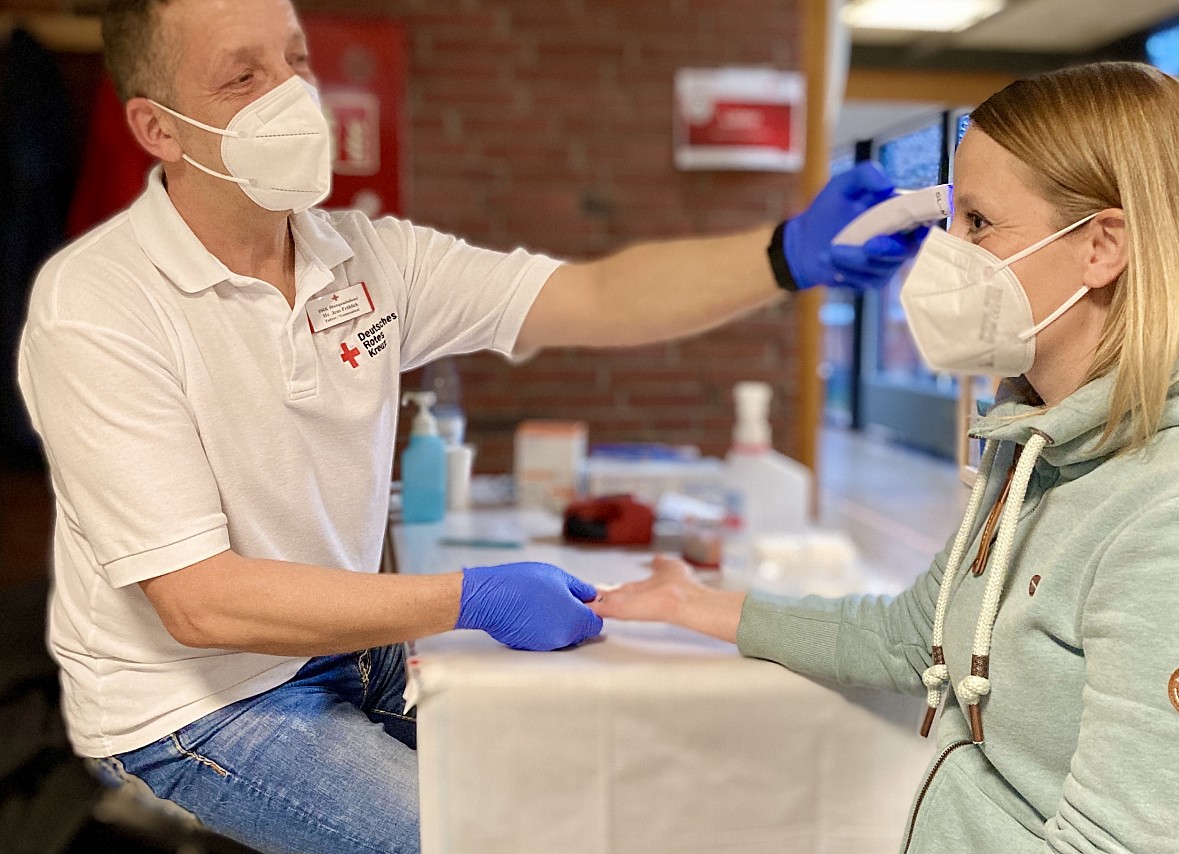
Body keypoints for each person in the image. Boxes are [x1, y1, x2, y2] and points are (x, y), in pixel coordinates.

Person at [15, 0, 922, 851]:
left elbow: (594, 296)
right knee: (484, 838)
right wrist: (470, 597)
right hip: (199, 703)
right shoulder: (100, 303)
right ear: (157, 128)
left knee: (584, 786)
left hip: (346, 650)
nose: (291, 95)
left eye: (295, 60)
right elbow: (202, 602)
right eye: (242, 79)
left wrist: (784, 254)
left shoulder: (367, 257)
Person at [593, 61, 1179, 853]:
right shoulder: (1052, 437)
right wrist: (692, 604)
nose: (947, 254)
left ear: (1102, 245)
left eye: (978, 222)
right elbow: (917, 636)